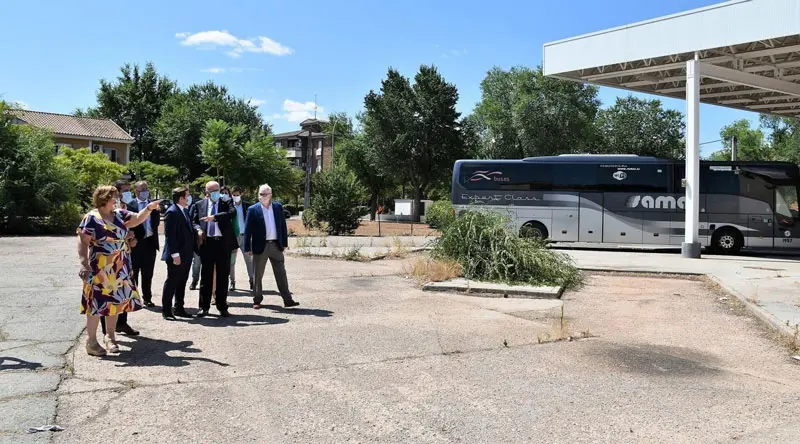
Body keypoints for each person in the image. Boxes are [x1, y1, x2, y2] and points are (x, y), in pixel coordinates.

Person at [77, 185, 160, 356]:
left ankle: (110, 337)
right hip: (99, 267)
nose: (117, 199)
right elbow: (83, 242)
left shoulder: (119, 214)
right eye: (114, 197)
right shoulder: (91, 218)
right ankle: (91, 341)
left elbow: (137, 219)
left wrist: (149, 208)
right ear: (105, 198)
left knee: (114, 303)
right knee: (96, 304)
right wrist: (84, 264)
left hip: (119, 266)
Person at [243, 183, 299, 309]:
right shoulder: (253, 209)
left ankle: (287, 299)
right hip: (260, 246)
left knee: (281, 273)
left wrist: (284, 243)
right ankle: (257, 299)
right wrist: (247, 247)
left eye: (265, 194)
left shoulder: (278, 207)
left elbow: (282, 226)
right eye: (260, 194)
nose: (262, 196)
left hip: (275, 245)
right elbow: (247, 230)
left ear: (270, 195)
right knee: (257, 274)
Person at [191, 181, 238, 317]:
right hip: (207, 243)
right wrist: (199, 230)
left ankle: (222, 306)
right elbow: (194, 221)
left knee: (223, 276)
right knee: (206, 276)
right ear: (206, 192)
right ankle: (203, 307)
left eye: (217, 190)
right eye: (213, 191)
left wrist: (215, 218)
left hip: (223, 243)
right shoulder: (199, 205)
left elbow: (232, 213)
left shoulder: (226, 202)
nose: (216, 193)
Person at [100, 180, 140, 336]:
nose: (128, 193)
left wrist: (131, 237)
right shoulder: (106, 211)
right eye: (125, 191)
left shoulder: (127, 209)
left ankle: (122, 323)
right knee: (108, 292)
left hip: (125, 256)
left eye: (129, 190)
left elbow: (134, 226)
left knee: (124, 290)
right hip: (108, 259)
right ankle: (107, 331)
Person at [161, 187, 196, 320]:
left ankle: (179, 308)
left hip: (186, 254)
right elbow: (170, 236)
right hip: (177, 255)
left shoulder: (184, 211)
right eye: (187, 196)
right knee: (172, 282)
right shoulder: (172, 212)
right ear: (181, 198)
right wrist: (175, 255)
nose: (189, 198)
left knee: (182, 282)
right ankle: (166, 310)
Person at [128, 180, 160, 308]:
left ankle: (147, 298)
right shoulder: (131, 205)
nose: (146, 192)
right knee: (133, 272)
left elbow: (156, 223)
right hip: (136, 244)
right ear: (136, 191)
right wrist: (132, 238)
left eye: (147, 189)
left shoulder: (153, 206)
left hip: (150, 242)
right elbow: (128, 224)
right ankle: (133, 298)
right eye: (143, 189)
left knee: (148, 273)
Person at [229, 186, 254, 291]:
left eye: (237, 195)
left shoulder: (247, 206)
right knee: (231, 262)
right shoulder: (228, 206)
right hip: (233, 237)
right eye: (234, 195)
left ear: (241, 195)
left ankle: (252, 281)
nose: (235, 196)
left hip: (245, 237)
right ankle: (232, 282)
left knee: (249, 260)